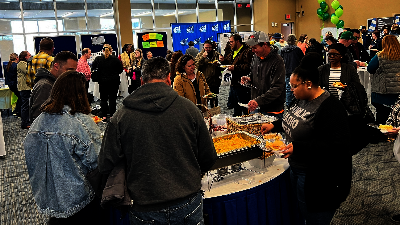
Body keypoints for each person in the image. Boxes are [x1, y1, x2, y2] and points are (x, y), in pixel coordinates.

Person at [98, 57, 217, 225]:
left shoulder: (121, 117)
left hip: (144, 207)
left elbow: (105, 163)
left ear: (141, 81)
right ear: (169, 78)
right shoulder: (190, 109)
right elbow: (209, 157)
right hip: (188, 202)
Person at [261, 52, 352, 225]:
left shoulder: (331, 108)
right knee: (302, 212)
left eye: (294, 86)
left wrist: (298, 147)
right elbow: (296, 118)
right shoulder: (301, 98)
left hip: (318, 178)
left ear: (308, 84)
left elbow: (337, 146)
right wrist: (276, 125)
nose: (291, 90)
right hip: (297, 168)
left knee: (314, 217)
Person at [24, 71, 106, 225]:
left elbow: (31, 159)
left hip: (47, 197)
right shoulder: (81, 122)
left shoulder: (37, 122)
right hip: (81, 200)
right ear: (81, 92)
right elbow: (96, 162)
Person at [241, 31, 286, 119]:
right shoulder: (256, 57)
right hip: (256, 106)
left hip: (272, 109)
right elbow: (254, 73)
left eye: (255, 47)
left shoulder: (277, 61)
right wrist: (249, 78)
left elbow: (277, 87)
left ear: (265, 45)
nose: (253, 51)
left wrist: (258, 101)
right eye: (251, 48)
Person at [30, 51, 78, 124]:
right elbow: (38, 118)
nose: (72, 74)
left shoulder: (57, 83)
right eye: (69, 70)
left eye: (74, 71)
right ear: (56, 66)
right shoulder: (45, 86)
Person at [367, 35, 400, 124]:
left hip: (382, 92)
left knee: (382, 118)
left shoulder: (380, 56)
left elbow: (370, 69)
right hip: (397, 93)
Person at [219, 34, 253, 116]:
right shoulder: (232, 51)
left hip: (243, 85)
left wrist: (235, 67)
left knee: (245, 108)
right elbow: (228, 63)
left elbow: (249, 66)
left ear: (237, 41)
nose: (230, 43)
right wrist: (223, 61)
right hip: (233, 83)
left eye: (231, 41)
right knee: (236, 108)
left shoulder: (247, 52)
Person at [91, 44, 123, 120]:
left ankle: (104, 116)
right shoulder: (115, 59)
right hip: (114, 82)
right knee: (112, 99)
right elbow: (120, 70)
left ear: (102, 50)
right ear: (111, 51)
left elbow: (93, 68)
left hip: (102, 82)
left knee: (103, 99)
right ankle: (112, 116)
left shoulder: (98, 59)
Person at [195, 40, 222, 108]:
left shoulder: (216, 54)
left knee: (215, 98)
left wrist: (219, 63)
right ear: (203, 47)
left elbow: (222, 67)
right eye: (206, 47)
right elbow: (196, 66)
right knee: (205, 99)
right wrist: (202, 58)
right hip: (205, 81)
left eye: (209, 47)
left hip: (215, 80)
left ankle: (215, 112)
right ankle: (206, 114)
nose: (208, 49)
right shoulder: (200, 55)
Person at [281, 34, 304, 107]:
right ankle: (296, 103)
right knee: (297, 87)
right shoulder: (297, 49)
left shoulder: (283, 50)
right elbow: (302, 59)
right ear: (294, 41)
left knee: (288, 88)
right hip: (296, 70)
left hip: (286, 70)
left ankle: (288, 104)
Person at [17, 51, 32, 129]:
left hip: (26, 87)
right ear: (25, 57)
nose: (31, 56)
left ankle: (27, 121)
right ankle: (25, 123)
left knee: (26, 105)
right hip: (24, 87)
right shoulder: (22, 63)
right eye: (29, 55)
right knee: (25, 106)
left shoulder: (24, 63)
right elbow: (28, 71)